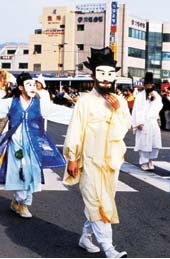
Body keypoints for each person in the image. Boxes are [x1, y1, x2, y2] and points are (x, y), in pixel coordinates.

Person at [62, 47, 132, 258]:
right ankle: (109, 248)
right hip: (90, 159)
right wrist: (72, 158)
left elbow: (125, 126)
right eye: (101, 74)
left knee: (105, 200)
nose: (106, 79)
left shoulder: (118, 101)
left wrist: (118, 108)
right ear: (93, 75)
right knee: (96, 200)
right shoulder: (84, 101)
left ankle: (86, 236)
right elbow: (75, 129)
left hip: (110, 160)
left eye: (110, 74)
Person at [0, 73, 72, 218]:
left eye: (33, 84)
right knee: (19, 172)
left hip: (33, 145)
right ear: (20, 87)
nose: (33, 87)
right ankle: (21, 203)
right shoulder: (10, 103)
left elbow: (60, 112)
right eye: (29, 85)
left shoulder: (39, 104)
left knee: (31, 174)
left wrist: (84, 115)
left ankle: (21, 202)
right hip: (16, 145)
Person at [132, 72, 163, 171]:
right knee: (144, 142)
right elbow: (137, 110)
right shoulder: (140, 96)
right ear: (144, 85)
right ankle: (144, 162)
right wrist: (138, 123)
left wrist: (154, 99)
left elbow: (159, 105)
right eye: (146, 84)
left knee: (154, 143)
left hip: (152, 121)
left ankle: (150, 160)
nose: (148, 86)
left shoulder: (156, 95)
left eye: (150, 84)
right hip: (143, 122)